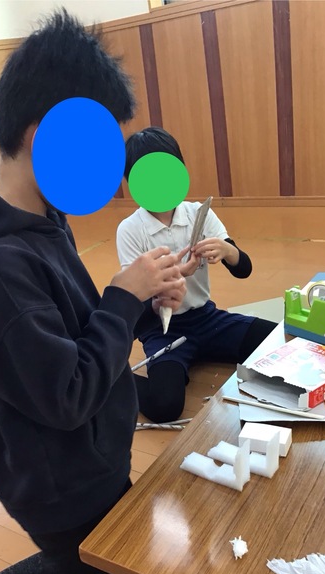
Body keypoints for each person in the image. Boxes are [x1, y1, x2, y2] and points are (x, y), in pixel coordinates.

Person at [0, 12, 186, 574]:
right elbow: (64, 393)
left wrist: (139, 302)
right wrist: (123, 297)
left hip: (86, 455)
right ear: (43, 136)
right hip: (59, 476)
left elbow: (77, 332)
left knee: (88, 566)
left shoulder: (42, 223)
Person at [117, 127, 277, 424]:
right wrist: (177, 274)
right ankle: (114, 380)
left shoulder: (197, 214)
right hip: (163, 329)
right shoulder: (130, 229)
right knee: (165, 406)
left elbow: (244, 269)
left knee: (278, 341)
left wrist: (228, 251)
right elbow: (135, 301)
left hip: (207, 319)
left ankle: (197, 355)